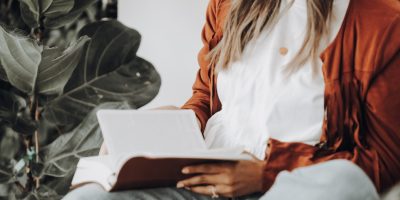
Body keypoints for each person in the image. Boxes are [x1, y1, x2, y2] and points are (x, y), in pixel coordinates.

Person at [63, 0, 400, 199]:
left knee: (345, 185)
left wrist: (266, 174)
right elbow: (205, 100)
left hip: (293, 188)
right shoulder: (227, 5)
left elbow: (383, 160)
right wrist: (167, 127)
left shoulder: (381, 22)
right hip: (201, 179)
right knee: (88, 197)